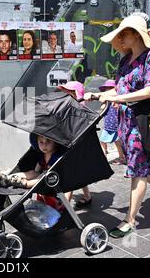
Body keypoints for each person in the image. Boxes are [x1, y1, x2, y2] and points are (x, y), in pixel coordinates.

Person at [84, 14, 150, 238]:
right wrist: (94, 95)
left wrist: (115, 99)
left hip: (144, 121)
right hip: (127, 122)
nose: (120, 39)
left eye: (123, 34)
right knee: (143, 166)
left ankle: (129, 220)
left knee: (138, 169)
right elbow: (119, 89)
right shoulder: (126, 60)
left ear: (136, 35)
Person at [56, 81, 93, 209]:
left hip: (78, 146)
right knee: (78, 173)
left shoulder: (80, 110)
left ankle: (64, 208)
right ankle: (87, 196)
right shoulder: (69, 108)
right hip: (70, 144)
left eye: (68, 93)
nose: (65, 95)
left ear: (75, 94)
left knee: (70, 176)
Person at [0, 134, 65, 189]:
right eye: (41, 142)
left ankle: (26, 183)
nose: (44, 145)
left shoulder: (56, 156)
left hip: (52, 178)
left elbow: (50, 170)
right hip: (41, 175)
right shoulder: (42, 155)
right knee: (32, 172)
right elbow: (37, 170)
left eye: (48, 142)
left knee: (44, 174)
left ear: (55, 143)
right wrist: (34, 173)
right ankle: (7, 178)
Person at [98, 79, 126, 165]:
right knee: (102, 141)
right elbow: (102, 111)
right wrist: (103, 104)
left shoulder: (118, 101)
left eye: (110, 89)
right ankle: (104, 156)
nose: (108, 91)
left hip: (116, 126)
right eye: (106, 89)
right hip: (107, 126)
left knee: (118, 143)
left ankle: (122, 158)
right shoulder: (107, 102)